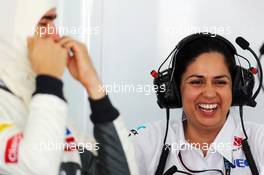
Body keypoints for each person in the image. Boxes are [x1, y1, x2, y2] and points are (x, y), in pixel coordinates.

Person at [0, 0, 138, 175]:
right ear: (11, 28)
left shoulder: (40, 103)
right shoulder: (44, 98)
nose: (55, 36)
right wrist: (49, 79)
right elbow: (39, 168)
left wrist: (93, 86)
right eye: (44, 23)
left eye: (53, 23)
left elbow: (122, 172)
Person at [127, 33, 264, 175]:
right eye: (196, 82)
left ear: (236, 89)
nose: (209, 94)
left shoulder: (259, 140)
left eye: (220, 82)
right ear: (175, 89)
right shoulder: (146, 140)